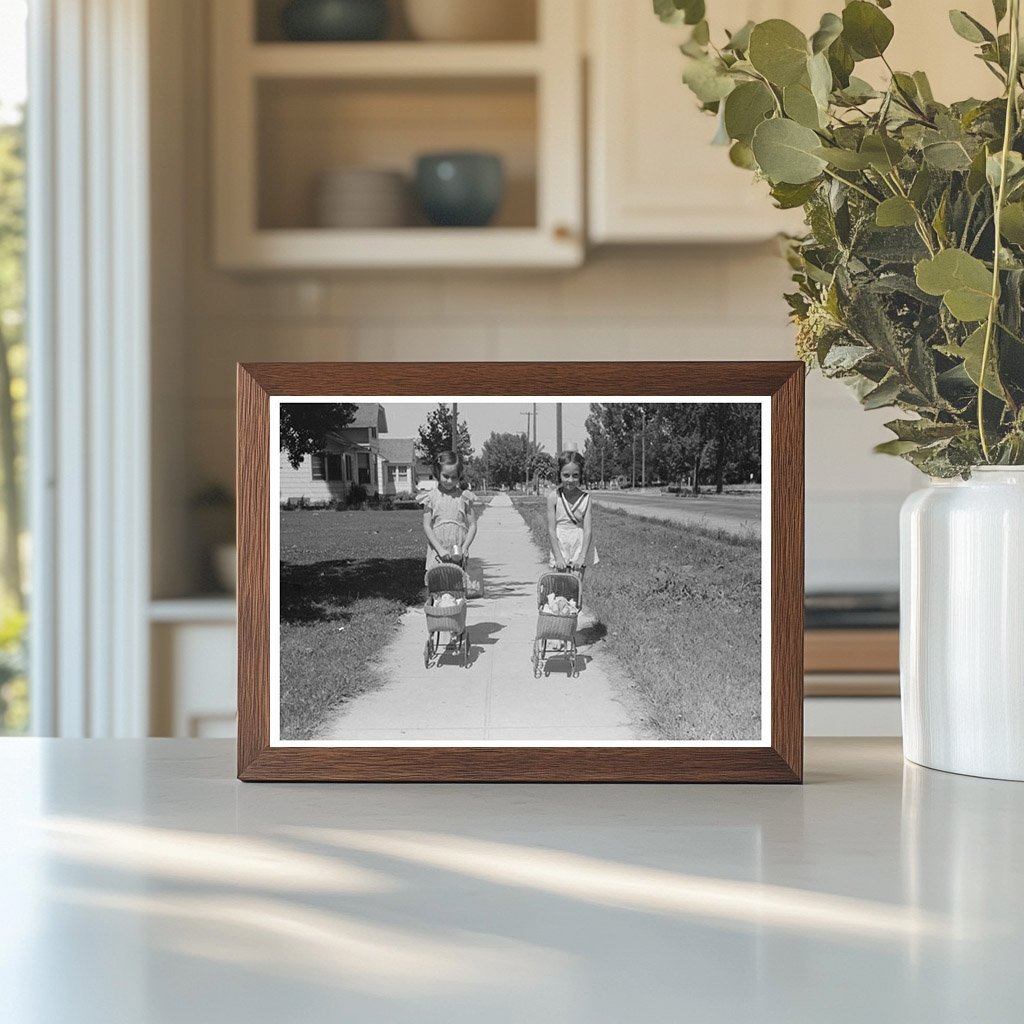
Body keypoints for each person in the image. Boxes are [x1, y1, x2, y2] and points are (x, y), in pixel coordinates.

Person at [417, 450, 478, 583]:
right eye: (445, 476)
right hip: (437, 553)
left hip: (458, 553)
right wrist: (439, 549)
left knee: (457, 587)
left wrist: (465, 547)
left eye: (454, 477)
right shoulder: (430, 497)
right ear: (437, 473)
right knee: (438, 587)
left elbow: (473, 525)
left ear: (459, 475)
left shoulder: (464, 497)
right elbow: (427, 526)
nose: (449, 481)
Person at [546, 451, 599, 588]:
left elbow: (588, 530)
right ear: (559, 474)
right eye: (566, 475)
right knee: (560, 586)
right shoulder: (553, 497)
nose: (570, 480)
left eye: (575, 475)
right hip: (560, 543)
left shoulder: (586, 499)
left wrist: (582, 556)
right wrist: (558, 556)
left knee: (575, 586)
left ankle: (576, 603)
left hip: (578, 544)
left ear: (581, 475)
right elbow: (551, 529)